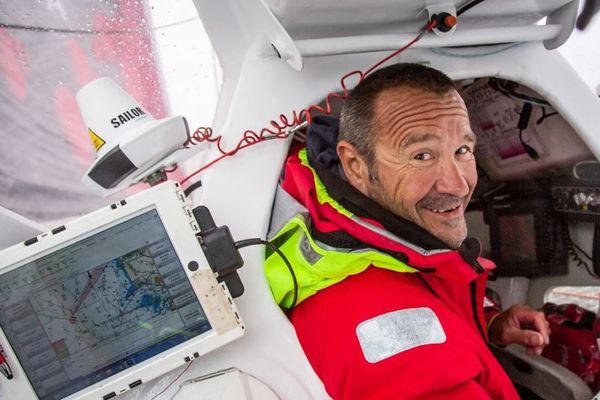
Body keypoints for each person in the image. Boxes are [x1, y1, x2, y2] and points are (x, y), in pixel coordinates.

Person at [264, 63, 550, 399]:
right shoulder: (384, 332)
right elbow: (413, 349)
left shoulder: (378, 246)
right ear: (356, 166)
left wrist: (488, 325)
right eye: (422, 155)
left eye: (462, 150)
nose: (458, 184)